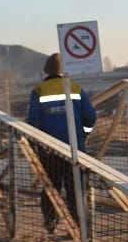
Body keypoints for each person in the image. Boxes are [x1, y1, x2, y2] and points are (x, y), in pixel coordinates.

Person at [27, 53, 97, 232]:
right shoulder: (75, 87)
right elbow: (90, 116)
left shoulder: (39, 90)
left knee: (51, 188)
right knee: (77, 190)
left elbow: (33, 121)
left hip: (50, 151)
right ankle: (82, 230)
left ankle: (51, 223)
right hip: (75, 151)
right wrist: (83, 134)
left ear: (46, 71)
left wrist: (35, 143)